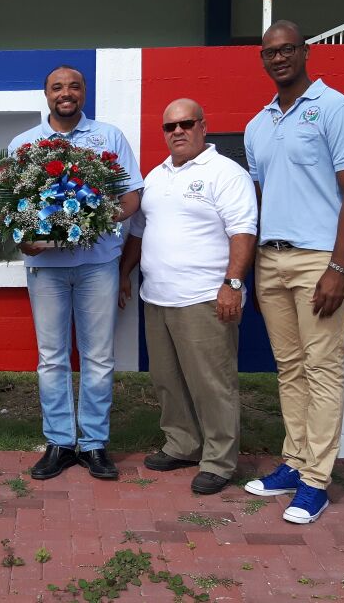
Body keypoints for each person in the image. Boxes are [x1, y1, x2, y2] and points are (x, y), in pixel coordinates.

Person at [242, 21, 344, 523]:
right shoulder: (259, 124)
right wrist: (252, 265)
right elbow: (258, 198)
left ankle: (317, 478)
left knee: (322, 368)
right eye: (270, 52)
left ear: (306, 52)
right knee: (290, 367)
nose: (279, 58)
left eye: (287, 49)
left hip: (321, 259)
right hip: (270, 259)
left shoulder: (336, 109)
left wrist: (338, 265)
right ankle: (294, 462)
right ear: (263, 59)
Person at [8, 65, 143, 481]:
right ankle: (60, 442)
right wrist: (22, 238)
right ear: (45, 94)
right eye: (57, 87)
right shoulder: (25, 144)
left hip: (97, 264)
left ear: (84, 93)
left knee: (98, 357)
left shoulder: (109, 137)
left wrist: (98, 222)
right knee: (51, 358)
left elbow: (132, 196)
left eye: (73, 86)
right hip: (46, 268)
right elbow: (9, 206)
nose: (66, 93)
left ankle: (95, 444)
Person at [118, 99, 257, 495]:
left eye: (186, 123)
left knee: (212, 384)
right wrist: (124, 273)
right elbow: (140, 232)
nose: (177, 131)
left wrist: (232, 284)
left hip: (205, 299)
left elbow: (243, 231)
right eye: (169, 126)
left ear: (203, 126)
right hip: (157, 297)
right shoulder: (156, 176)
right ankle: (182, 444)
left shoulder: (226, 174)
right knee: (167, 380)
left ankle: (219, 460)